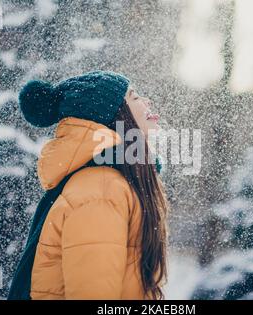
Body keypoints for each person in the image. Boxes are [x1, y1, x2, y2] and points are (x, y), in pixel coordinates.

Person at [18, 70, 169, 299]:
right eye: (135, 97)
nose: (147, 101)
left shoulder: (108, 183)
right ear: (116, 116)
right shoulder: (100, 190)